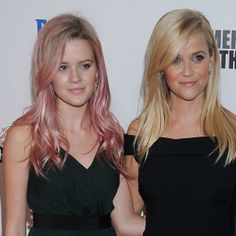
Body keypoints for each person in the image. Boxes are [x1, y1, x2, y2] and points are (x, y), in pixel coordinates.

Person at [2, 13, 145, 236]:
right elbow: (14, 229)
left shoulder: (110, 135)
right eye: (63, 67)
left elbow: (125, 222)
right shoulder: (24, 136)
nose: (75, 78)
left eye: (85, 65)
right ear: (47, 73)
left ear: (98, 72)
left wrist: (195, 222)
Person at [125, 8, 236, 236]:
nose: (188, 71)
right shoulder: (141, 133)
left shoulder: (233, 131)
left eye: (197, 57)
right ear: (161, 66)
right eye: (175, 60)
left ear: (212, 59)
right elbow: (126, 215)